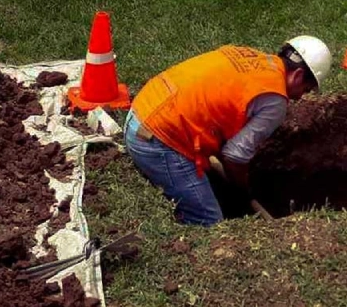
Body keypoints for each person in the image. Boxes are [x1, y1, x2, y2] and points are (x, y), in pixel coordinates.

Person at [123, 36, 332, 226]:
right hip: (157, 141)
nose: (300, 97)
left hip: (141, 109)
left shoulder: (249, 56)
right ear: (297, 75)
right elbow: (234, 156)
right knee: (210, 221)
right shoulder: (275, 101)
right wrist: (242, 189)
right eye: (305, 90)